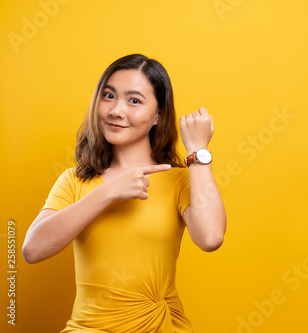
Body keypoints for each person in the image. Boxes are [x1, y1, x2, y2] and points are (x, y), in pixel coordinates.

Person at [22, 54, 227, 333]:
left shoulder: (179, 179)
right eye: (108, 96)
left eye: (134, 100)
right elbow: (32, 250)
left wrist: (197, 151)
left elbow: (211, 238)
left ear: (159, 115)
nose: (116, 110)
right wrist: (107, 192)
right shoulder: (74, 180)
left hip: (159, 326)